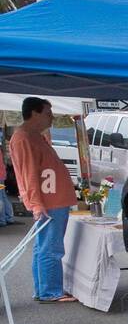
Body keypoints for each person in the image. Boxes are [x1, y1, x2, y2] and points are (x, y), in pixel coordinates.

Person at [10, 97, 78, 301]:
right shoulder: (24, 137)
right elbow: (28, 174)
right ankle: (50, 291)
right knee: (51, 247)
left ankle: (44, 289)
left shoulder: (33, 136)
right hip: (49, 201)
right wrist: (36, 203)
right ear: (35, 113)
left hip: (53, 199)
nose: (51, 118)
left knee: (45, 247)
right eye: (48, 113)